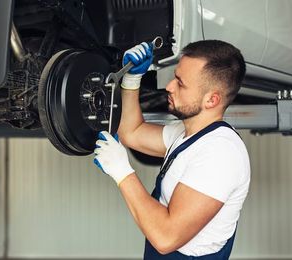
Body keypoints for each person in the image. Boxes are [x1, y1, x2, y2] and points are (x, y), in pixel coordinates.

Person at [93, 40, 250, 259]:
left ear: (212, 100)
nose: (169, 86)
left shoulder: (220, 154)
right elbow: (132, 133)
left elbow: (166, 238)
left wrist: (122, 171)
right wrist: (132, 80)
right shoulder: (189, 133)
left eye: (180, 83)